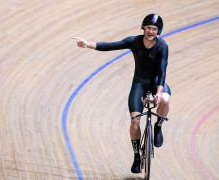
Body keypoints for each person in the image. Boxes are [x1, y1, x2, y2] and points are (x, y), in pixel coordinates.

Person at [72, 14, 171, 174]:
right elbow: (111, 45)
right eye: (148, 28)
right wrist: (86, 44)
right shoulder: (134, 41)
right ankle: (137, 155)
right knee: (135, 122)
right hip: (139, 84)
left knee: (165, 100)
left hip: (155, 84)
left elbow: (162, 71)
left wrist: (159, 93)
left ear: (158, 31)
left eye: (154, 29)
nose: (151, 31)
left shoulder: (162, 46)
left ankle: (158, 127)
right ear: (143, 28)